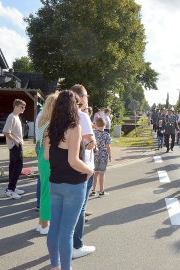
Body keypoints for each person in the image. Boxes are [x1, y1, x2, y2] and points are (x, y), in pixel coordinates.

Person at [44, 90, 94, 270]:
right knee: (67, 231)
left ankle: (54, 266)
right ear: (74, 106)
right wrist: (89, 170)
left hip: (55, 183)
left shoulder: (50, 128)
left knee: (55, 229)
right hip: (74, 184)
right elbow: (73, 161)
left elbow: (47, 155)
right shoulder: (75, 128)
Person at [70, 84, 97, 259]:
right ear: (80, 97)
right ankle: (76, 245)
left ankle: (66, 244)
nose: (87, 98)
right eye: (86, 95)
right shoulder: (82, 116)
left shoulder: (60, 115)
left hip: (67, 167)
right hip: (84, 166)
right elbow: (90, 142)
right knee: (80, 208)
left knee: (69, 208)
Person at [35, 93, 58, 235]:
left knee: (44, 191)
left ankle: (40, 223)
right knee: (47, 193)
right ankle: (44, 225)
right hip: (48, 159)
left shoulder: (42, 120)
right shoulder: (51, 123)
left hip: (42, 160)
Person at [2, 99, 26, 199]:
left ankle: (12, 187)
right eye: (22, 107)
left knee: (13, 166)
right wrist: (15, 141)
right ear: (16, 106)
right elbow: (6, 132)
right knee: (18, 166)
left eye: (24, 107)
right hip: (15, 145)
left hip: (16, 145)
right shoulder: (11, 117)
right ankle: (10, 189)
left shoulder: (16, 117)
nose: (23, 108)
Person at [91, 117, 112, 196]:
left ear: (96, 125)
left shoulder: (93, 133)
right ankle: (101, 191)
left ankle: (93, 190)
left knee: (95, 173)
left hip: (95, 155)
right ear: (105, 125)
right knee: (101, 173)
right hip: (103, 156)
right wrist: (110, 155)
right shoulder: (107, 135)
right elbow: (108, 147)